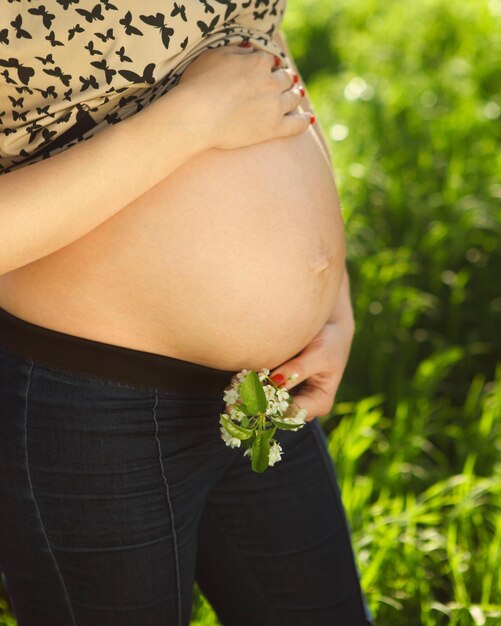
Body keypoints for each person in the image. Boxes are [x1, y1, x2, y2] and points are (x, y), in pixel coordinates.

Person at [0, 1, 376, 625]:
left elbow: (257, 46)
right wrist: (188, 123)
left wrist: (331, 296)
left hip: (272, 390)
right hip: (91, 404)